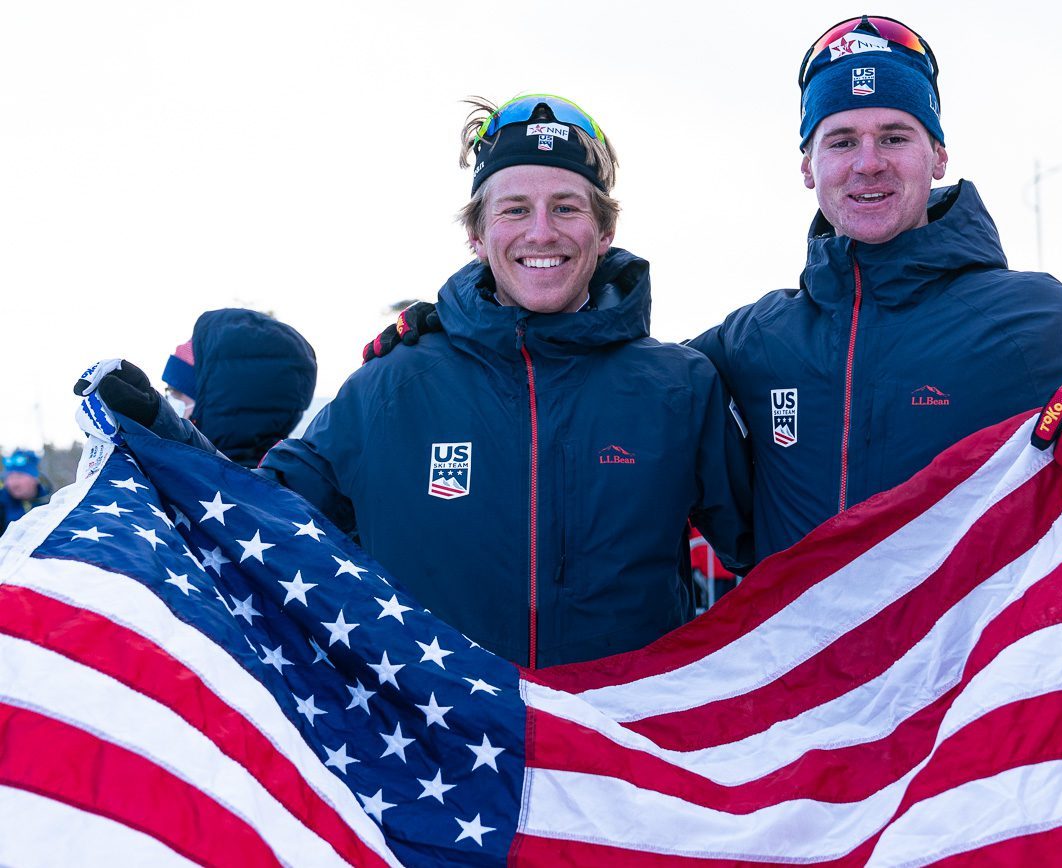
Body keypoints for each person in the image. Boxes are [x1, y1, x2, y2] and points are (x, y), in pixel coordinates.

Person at [363, 17, 1062, 564]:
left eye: (895, 136)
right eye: (842, 140)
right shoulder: (756, 341)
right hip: (807, 742)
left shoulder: (1035, 315)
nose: (868, 164)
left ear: (938, 155)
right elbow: (590, 367)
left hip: (973, 739)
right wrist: (456, 326)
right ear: (806, 166)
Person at [78, 95, 753, 669]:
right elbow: (254, 515)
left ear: (604, 230)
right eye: (514, 208)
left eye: (567, 207)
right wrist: (160, 437)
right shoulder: (388, 390)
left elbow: (773, 560)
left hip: (622, 767)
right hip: (439, 768)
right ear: (477, 234)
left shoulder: (679, 388)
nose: (541, 231)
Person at [160, 309, 318, 468]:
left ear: (222, 403)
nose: (171, 410)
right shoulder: (288, 479)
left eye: (178, 395)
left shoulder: (186, 483)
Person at [0, 449, 51, 536]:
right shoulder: (2, 505)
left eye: (19, 476)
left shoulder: (51, 504)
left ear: (35, 478)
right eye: (9, 477)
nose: (13, 483)